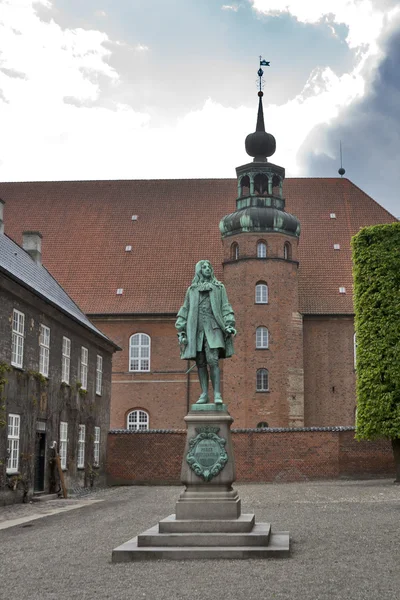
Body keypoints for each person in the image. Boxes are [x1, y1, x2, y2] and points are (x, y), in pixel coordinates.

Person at [176, 260, 236, 404]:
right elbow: (185, 309)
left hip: (213, 328)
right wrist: (181, 329)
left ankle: (216, 394)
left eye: (209, 267)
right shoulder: (192, 290)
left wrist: (229, 324)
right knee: (201, 362)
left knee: (213, 360)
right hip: (196, 330)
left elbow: (225, 307)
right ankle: (204, 393)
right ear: (199, 270)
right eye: (204, 267)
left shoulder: (219, 288)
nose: (208, 269)